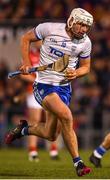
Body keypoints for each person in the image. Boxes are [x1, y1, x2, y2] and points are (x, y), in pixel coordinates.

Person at [5, 8, 93, 177]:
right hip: (44, 85)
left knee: (51, 135)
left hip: (64, 88)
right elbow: (26, 38)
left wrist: (77, 73)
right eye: (81, 24)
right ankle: (78, 163)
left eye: (86, 26)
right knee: (66, 115)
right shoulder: (49, 28)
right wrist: (26, 62)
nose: (83, 29)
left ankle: (23, 129)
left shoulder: (86, 42)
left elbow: (86, 67)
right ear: (71, 21)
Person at [22, 47, 59, 161]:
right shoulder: (28, 55)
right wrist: (38, 81)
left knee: (53, 120)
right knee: (35, 119)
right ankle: (32, 151)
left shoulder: (51, 54)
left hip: (49, 90)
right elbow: (23, 74)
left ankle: (53, 149)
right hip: (33, 91)